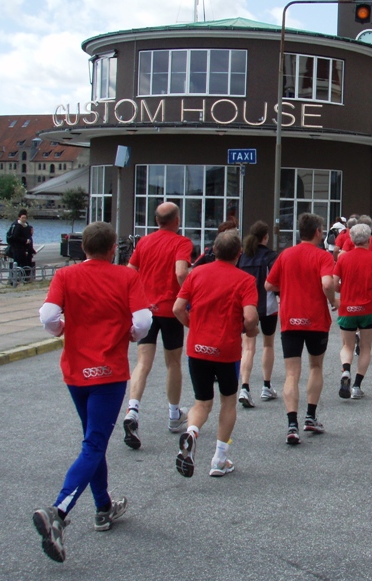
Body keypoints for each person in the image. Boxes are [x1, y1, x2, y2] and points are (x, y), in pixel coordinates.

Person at [33, 222, 152, 562]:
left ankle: (103, 506)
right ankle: (58, 511)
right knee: (94, 442)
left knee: (92, 438)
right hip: (109, 371)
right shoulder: (126, 277)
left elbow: (48, 316)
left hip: (76, 370)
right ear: (113, 247)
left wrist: (61, 328)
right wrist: (130, 334)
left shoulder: (66, 277)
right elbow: (143, 321)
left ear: (82, 248)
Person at [172, 231, 259, 478]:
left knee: (202, 401)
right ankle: (219, 459)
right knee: (228, 401)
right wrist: (250, 330)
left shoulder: (196, 273)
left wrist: (193, 325)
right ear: (239, 254)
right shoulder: (244, 280)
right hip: (226, 349)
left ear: (213, 251)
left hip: (198, 347)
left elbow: (178, 308)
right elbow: (250, 317)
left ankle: (191, 433)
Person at [121, 202, 194, 449]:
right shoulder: (181, 242)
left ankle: (132, 411)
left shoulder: (144, 242)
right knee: (173, 362)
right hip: (170, 309)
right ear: (176, 220)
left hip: (146, 309)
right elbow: (181, 272)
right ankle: (174, 415)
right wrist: (190, 297)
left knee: (143, 362)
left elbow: (130, 270)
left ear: (157, 220)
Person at [264, 213, 337, 444]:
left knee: (291, 373)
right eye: (322, 229)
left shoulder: (286, 255)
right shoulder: (323, 256)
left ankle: (292, 425)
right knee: (315, 366)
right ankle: (310, 417)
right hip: (315, 319)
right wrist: (333, 300)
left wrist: (286, 287)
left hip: (290, 319)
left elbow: (268, 284)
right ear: (317, 232)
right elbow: (327, 283)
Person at [334, 223, 372, 399]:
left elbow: (334, 282)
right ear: (369, 239)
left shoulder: (343, 259)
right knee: (366, 347)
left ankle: (345, 370)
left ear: (351, 239)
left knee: (347, 345)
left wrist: (340, 291)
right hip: (368, 308)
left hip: (347, 308)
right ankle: (357, 386)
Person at [237, 221, 280, 408]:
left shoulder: (242, 257)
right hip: (268, 306)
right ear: (265, 237)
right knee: (268, 345)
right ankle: (266, 385)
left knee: (248, 347)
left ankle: (244, 387)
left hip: (247, 307)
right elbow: (276, 281)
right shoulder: (271, 256)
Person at [6, 209, 36, 280]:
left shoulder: (27, 226)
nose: (24, 219)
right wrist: (25, 240)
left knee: (26, 263)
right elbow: (15, 237)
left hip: (25, 249)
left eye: (25, 218)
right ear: (19, 218)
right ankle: (15, 279)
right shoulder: (16, 226)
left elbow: (29, 236)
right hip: (17, 248)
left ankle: (25, 278)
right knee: (18, 263)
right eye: (22, 218)